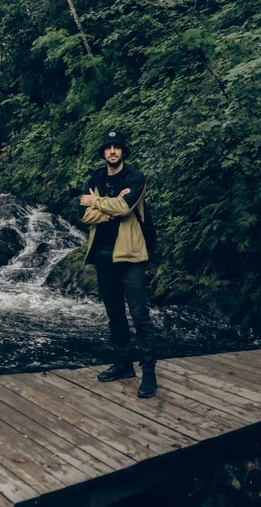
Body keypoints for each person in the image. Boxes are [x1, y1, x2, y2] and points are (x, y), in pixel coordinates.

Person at [80, 129, 157, 399]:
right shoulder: (96, 177)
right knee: (115, 316)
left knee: (140, 316)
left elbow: (125, 208)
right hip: (103, 258)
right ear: (103, 153)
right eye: (108, 147)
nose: (112, 151)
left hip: (131, 257)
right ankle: (123, 365)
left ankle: (148, 374)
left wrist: (98, 202)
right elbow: (84, 214)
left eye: (117, 147)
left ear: (123, 151)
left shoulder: (135, 177)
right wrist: (110, 207)